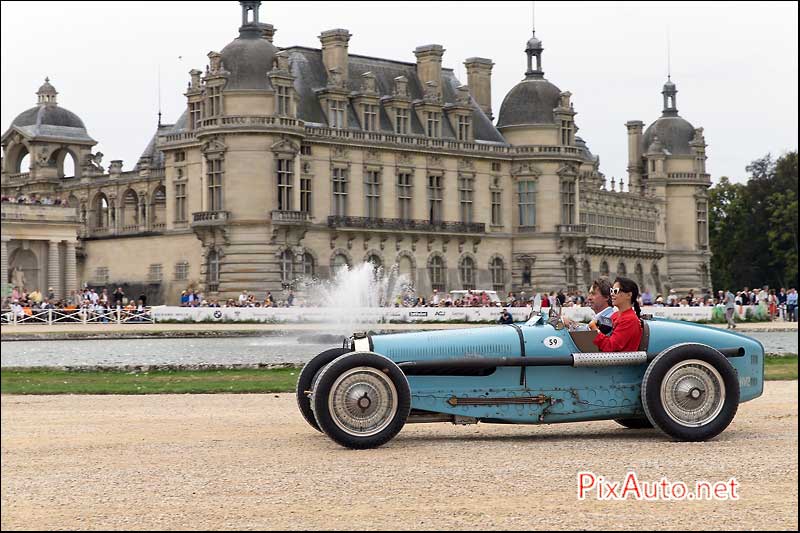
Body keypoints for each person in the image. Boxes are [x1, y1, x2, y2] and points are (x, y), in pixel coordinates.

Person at [590, 277, 643, 353]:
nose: (612, 294)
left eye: (615, 291)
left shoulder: (629, 320)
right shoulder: (616, 315)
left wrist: (594, 329)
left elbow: (610, 347)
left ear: (628, 295)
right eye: (611, 291)